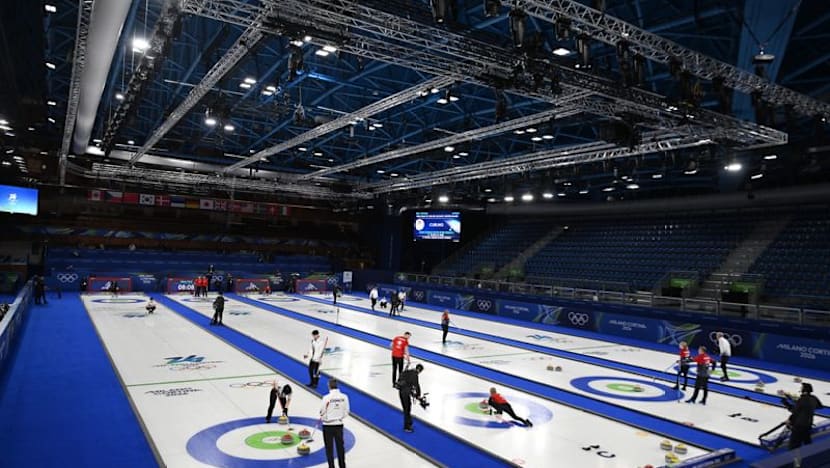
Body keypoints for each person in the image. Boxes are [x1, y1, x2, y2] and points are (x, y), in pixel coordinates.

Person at [320, 378, 349, 468]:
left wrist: (326, 418)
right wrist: (339, 418)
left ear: (329, 386)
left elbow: (322, 411)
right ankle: (342, 466)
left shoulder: (326, 398)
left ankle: (331, 466)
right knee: (340, 448)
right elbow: (347, 411)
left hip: (328, 426)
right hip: (339, 425)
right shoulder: (344, 397)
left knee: (329, 449)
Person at [786, 382, 823, 450]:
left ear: (804, 390)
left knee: (794, 445)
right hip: (808, 424)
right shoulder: (814, 398)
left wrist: (787, 404)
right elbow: (819, 406)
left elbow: (794, 411)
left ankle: (795, 459)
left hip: (799, 426)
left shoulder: (802, 399)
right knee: (807, 443)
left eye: (801, 388)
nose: (800, 389)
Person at [397, 363, 424, 433]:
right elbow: (416, 386)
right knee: (407, 409)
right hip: (405, 393)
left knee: (406, 408)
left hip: (401, 392)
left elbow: (401, 379)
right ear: (419, 370)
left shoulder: (407, 371)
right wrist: (418, 395)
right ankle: (406, 427)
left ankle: (409, 422)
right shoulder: (415, 375)